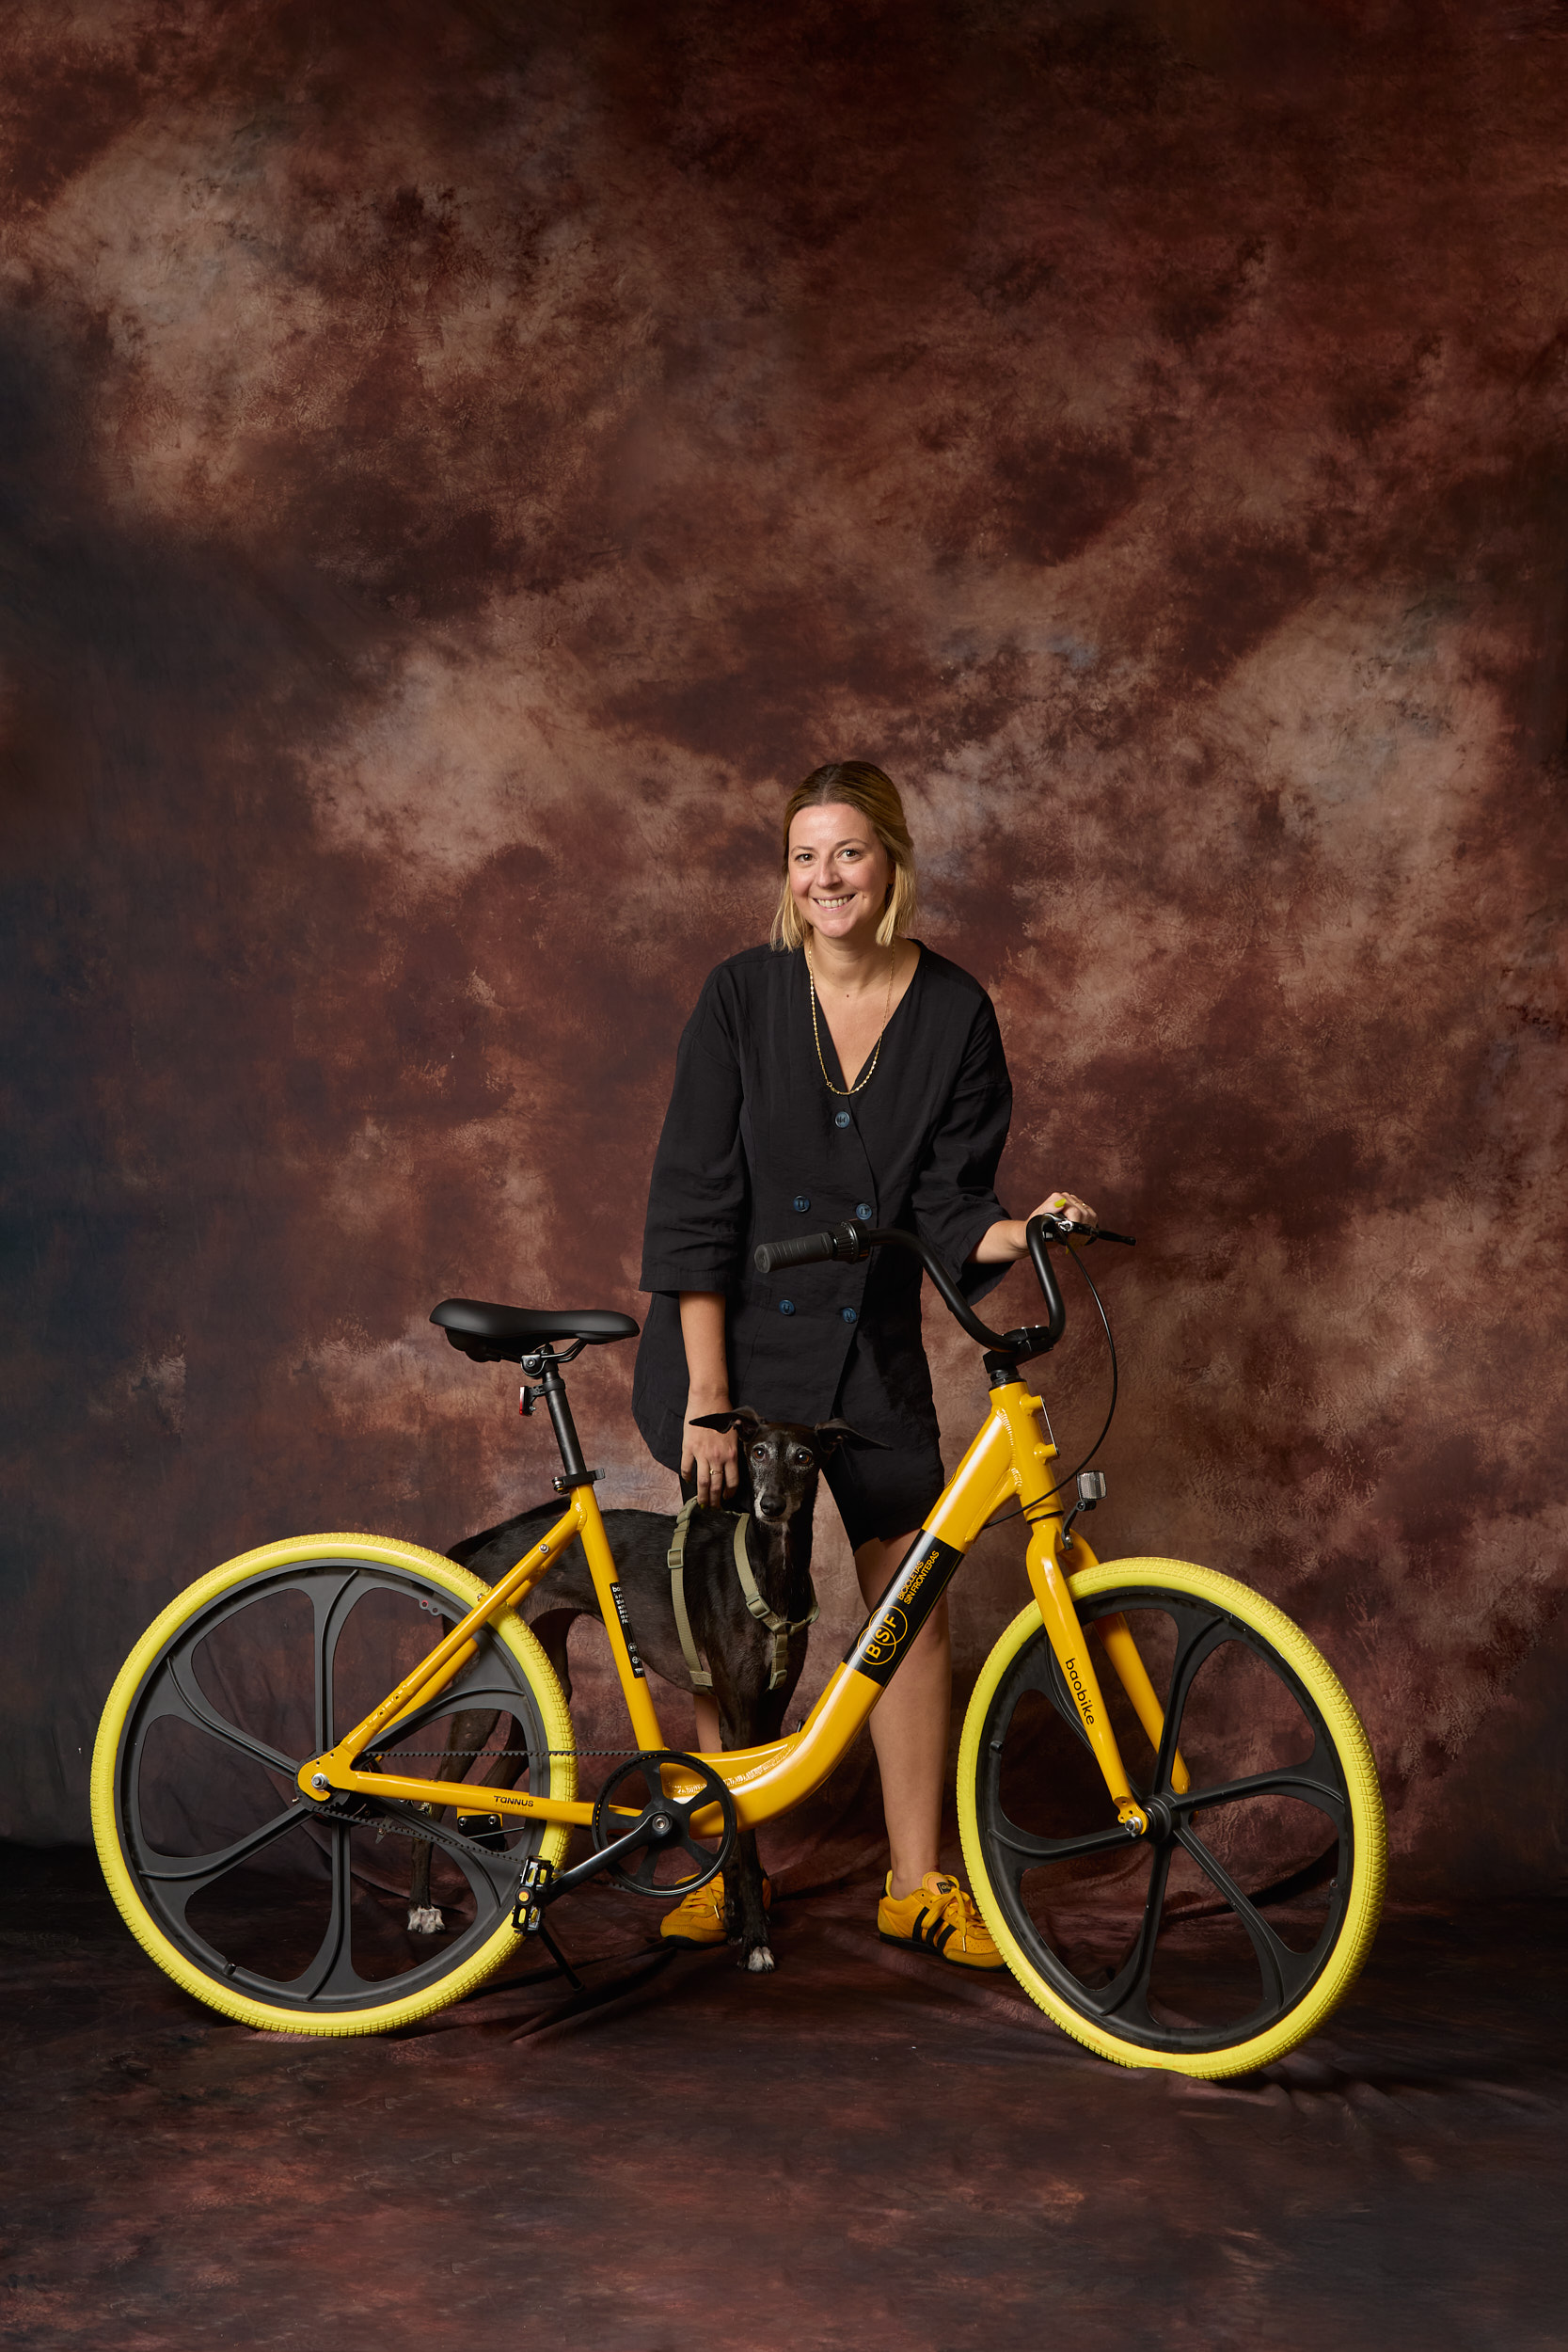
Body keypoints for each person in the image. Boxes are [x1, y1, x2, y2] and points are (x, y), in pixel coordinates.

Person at [632, 761, 1095, 1968]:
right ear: (784, 877)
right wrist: (710, 1398)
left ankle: (915, 1884)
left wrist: (1023, 1229)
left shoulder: (954, 1010)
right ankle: (728, 1878)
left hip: (872, 1357)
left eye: (846, 852)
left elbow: (952, 1206)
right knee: (735, 1623)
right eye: (803, 855)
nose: (825, 876)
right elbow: (692, 1206)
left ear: (888, 861)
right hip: (731, 1358)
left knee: (908, 1613)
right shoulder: (739, 996)